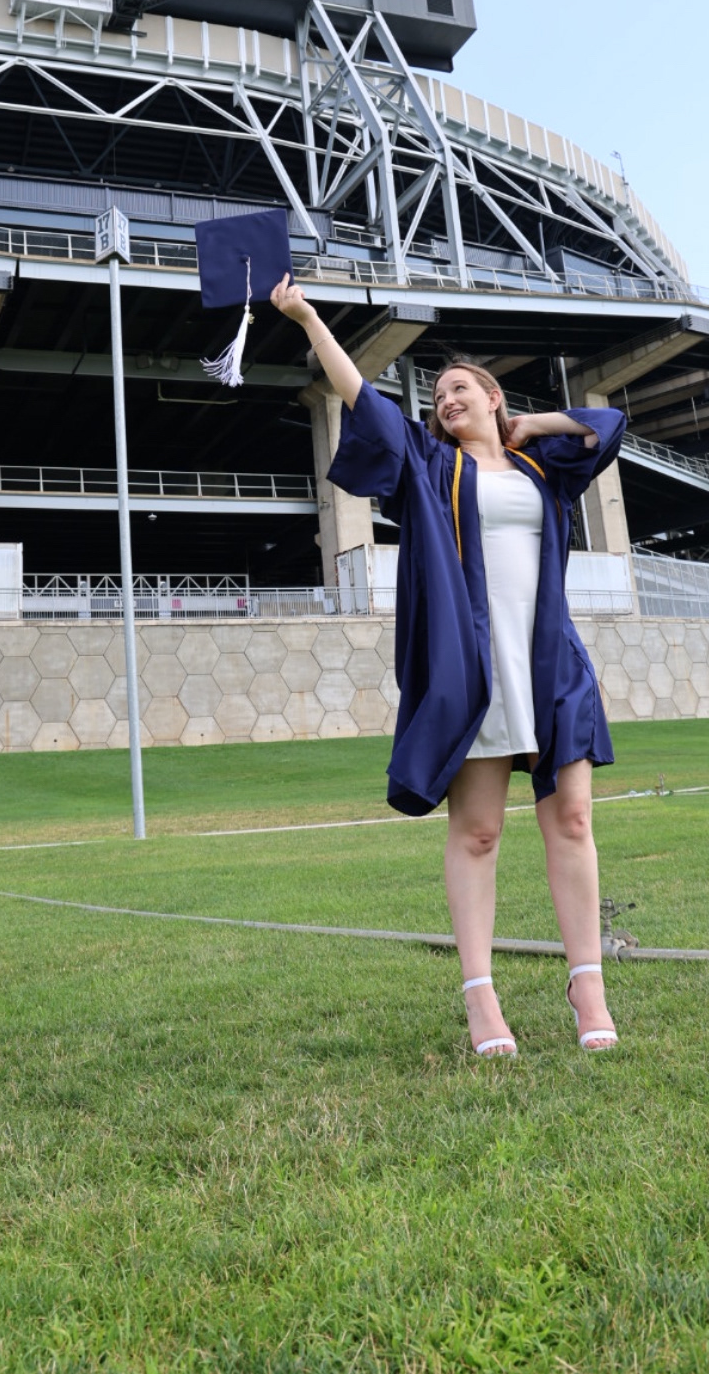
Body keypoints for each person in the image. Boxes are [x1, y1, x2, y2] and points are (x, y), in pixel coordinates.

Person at [271, 273, 627, 1056]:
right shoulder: (432, 466)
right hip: (473, 666)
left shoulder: (542, 469)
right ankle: (480, 996)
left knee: (572, 818)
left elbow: (605, 426)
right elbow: (363, 398)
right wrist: (306, 318)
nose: (446, 398)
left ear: (494, 398)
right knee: (478, 831)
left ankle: (587, 983)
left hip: (549, 659)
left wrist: (531, 421)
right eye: (439, 395)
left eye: (461, 387)